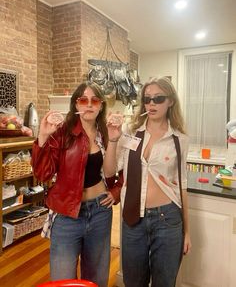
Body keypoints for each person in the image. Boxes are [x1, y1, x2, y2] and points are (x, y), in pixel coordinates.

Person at [104, 77, 192, 287]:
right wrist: (113, 139)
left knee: (164, 282)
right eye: (147, 99)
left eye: (158, 99)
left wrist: (187, 232)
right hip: (134, 218)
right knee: (134, 282)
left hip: (168, 219)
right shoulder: (130, 133)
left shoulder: (179, 140)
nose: (151, 104)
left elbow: (182, 187)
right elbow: (109, 171)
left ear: (170, 101)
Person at [31, 81, 118, 287]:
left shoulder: (106, 132)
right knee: (63, 280)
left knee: (96, 278)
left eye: (94, 100)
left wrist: (115, 191)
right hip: (67, 214)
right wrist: (43, 135)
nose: (89, 105)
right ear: (76, 105)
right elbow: (43, 173)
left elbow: (116, 171)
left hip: (100, 212)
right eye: (83, 100)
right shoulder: (62, 132)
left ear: (101, 105)